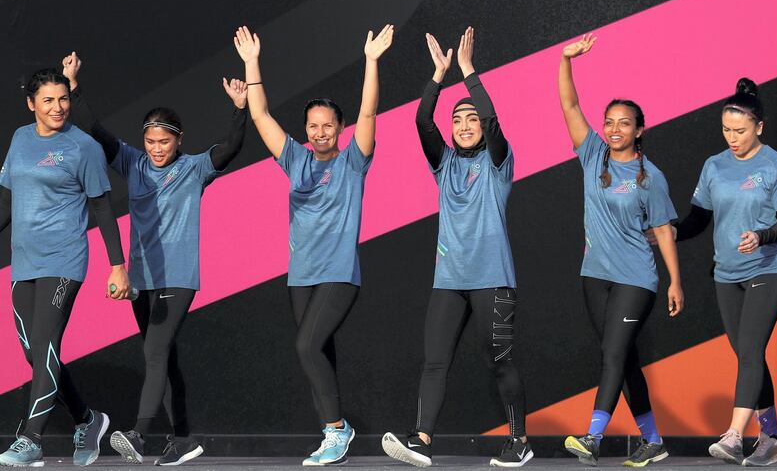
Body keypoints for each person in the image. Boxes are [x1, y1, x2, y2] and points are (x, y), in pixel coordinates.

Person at [63, 52, 247, 466]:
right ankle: (183, 438)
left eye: (165, 142)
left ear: (179, 139)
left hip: (179, 277)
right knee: (165, 358)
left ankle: (139, 433)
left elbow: (232, 146)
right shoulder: (133, 162)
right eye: (151, 142)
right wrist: (73, 85)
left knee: (155, 353)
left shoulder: (195, 168)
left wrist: (240, 109)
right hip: (142, 279)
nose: (157, 149)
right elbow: (95, 131)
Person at [233, 24, 393, 466]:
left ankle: (336, 431)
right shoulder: (296, 160)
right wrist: (252, 63)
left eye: (328, 125)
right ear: (306, 129)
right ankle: (332, 430)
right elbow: (262, 117)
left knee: (306, 347)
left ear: (339, 128)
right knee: (316, 352)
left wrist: (371, 61)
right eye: (313, 126)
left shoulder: (353, 163)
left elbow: (368, 113)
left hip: (339, 274)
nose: (320, 132)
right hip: (300, 277)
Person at [381, 27, 532, 468]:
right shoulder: (444, 164)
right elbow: (421, 122)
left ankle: (519, 440)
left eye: (470, 121)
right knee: (434, 362)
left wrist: (468, 74)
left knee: (499, 362)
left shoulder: (499, 162)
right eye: (457, 121)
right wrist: (437, 76)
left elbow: (493, 123)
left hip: (493, 282)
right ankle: (421, 441)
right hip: (449, 281)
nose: (464, 126)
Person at [558, 34, 683, 467]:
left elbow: (665, 231)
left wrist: (674, 283)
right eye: (609, 121)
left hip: (636, 280)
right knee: (623, 357)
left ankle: (592, 438)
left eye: (624, 122)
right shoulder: (593, 155)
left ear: (639, 129)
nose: (614, 129)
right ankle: (654, 441)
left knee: (613, 354)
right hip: (595, 276)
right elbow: (570, 107)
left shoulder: (652, 178)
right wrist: (565, 60)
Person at [0, 67, 130, 467]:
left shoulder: (83, 147)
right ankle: (87, 420)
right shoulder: (21, 139)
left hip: (64, 260)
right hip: (24, 261)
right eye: (48, 101)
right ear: (31, 104)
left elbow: (101, 206)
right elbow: (6, 200)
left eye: (63, 99)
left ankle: (31, 440)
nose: (58, 108)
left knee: (44, 346)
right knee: (36, 353)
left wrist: (117, 265)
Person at [667, 78, 777, 466]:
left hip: (768, 267)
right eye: (726, 129)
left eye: (739, 130)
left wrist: (761, 236)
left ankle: (734, 434)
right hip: (727, 274)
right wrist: (670, 233)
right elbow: (699, 219)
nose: (732, 137)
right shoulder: (714, 165)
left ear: (759, 126)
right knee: (747, 355)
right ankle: (773, 439)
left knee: (751, 352)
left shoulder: (776, 166)